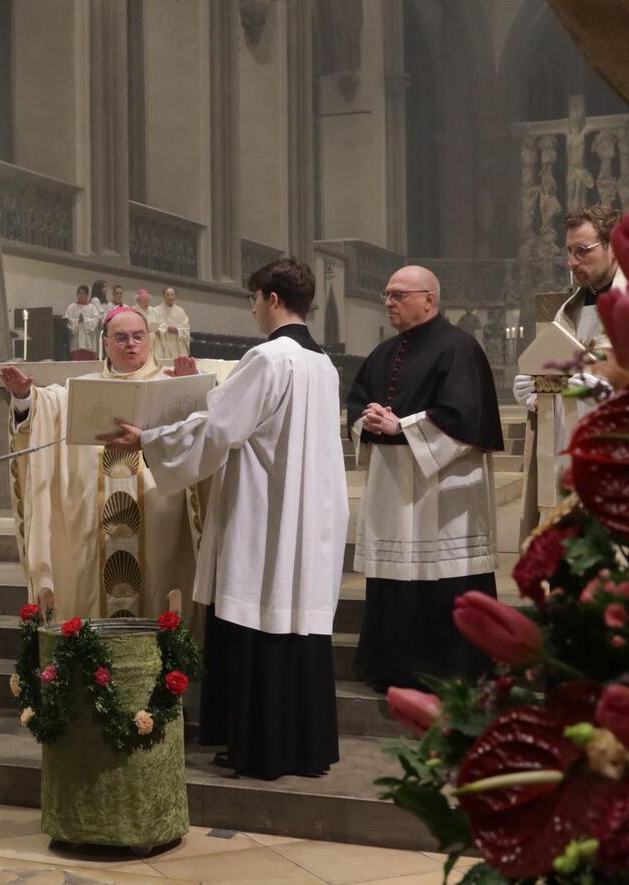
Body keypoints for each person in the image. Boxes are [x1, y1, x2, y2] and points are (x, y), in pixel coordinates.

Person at [102, 258, 346, 780]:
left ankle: (260, 748)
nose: (254, 308)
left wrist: (146, 438)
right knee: (295, 623)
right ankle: (303, 746)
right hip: (308, 513)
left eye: (254, 297)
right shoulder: (323, 363)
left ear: (272, 299)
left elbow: (219, 429)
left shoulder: (269, 357)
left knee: (258, 616)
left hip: (264, 513)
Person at [348, 265, 503, 692]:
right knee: (396, 582)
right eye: (387, 294)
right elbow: (356, 404)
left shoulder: (461, 348)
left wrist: (402, 426)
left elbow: (464, 414)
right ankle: (393, 667)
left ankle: (453, 670)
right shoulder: (382, 353)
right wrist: (369, 420)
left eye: (399, 295)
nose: (389, 302)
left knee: (444, 577)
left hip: (445, 490)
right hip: (392, 486)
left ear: (429, 300)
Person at [0, 306, 203, 624]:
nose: (130, 344)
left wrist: (192, 390)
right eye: (120, 337)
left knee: (159, 590)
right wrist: (25, 398)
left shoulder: (170, 384)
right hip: (97, 527)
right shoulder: (83, 389)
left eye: (138, 336)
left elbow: (208, 435)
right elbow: (46, 409)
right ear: (106, 343)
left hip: (160, 518)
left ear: (149, 340)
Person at [512, 206, 627, 475]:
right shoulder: (566, 311)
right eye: (569, 251)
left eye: (583, 251)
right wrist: (537, 394)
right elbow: (567, 382)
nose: (572, 262)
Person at [65, 284, 102, 361]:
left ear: (87, 295)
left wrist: (84, 321)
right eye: (79, 293)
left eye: (83, 294)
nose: (81, 295)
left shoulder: (92, 307)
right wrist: (78, 321)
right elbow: (68, 320)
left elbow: (96, 319)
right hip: (76, 342)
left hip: (89, 343)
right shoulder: (72, 307)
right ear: (77, 294)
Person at [153, 287, 191, 360]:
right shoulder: (156, 310)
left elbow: (186, 329)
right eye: (168, 295)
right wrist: (161, 330)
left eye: (172, 295)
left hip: (177, 345)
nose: (170, 297)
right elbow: (154, 328)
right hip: (162, 344)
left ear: (175, 296)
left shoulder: (181, 311)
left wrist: (177, 330)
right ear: (164, 296)